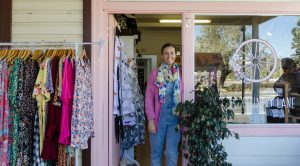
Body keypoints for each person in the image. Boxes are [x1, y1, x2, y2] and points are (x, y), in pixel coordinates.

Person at [145, 43, 183, 166]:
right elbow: (148, 98)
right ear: (162, 56)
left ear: (175, 55)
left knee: (172, 153)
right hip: (158, 119)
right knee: (156, 153)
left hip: (175, 120)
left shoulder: (181, 74)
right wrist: (150, 119)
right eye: (166, 53)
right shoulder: (155, 74)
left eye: (172, 53)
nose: (169, 56)